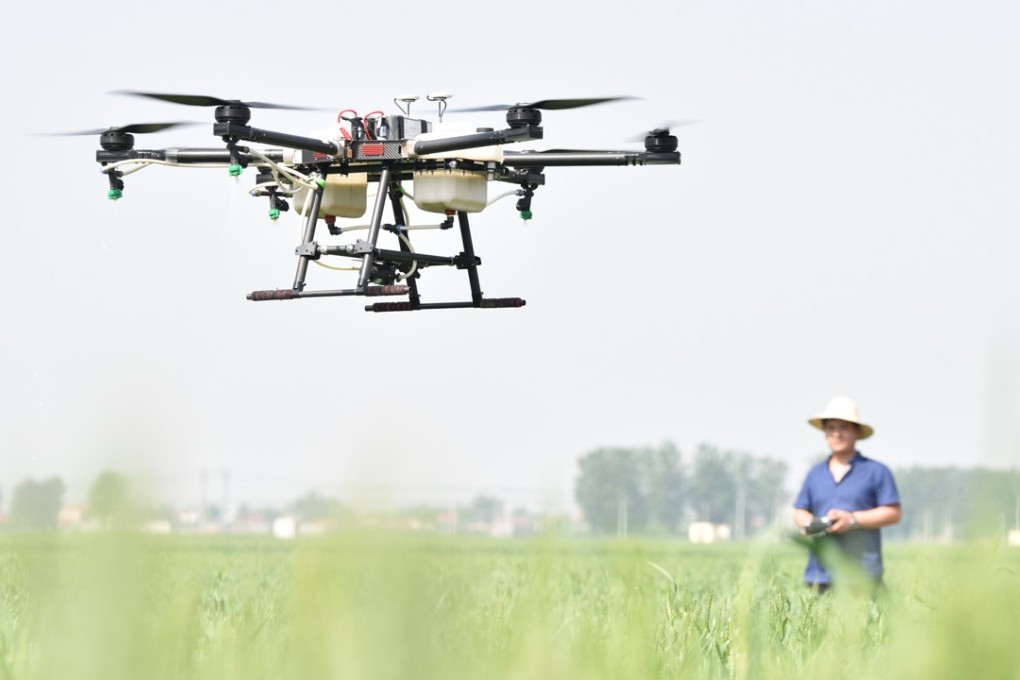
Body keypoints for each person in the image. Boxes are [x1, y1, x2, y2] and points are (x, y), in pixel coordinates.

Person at [793, 397, 902, 592]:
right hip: (820, 575)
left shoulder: (876, 471)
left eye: (844, 428)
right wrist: (812, 525)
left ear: (857, 432)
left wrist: (852, 520)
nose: (837, 434)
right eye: (831, 428)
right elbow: (800, 511)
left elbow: (893, 513)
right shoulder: (815, 474)